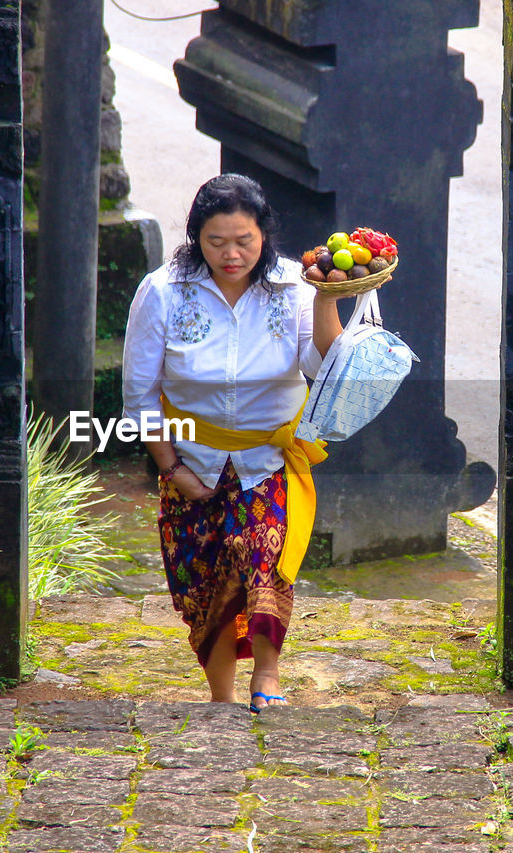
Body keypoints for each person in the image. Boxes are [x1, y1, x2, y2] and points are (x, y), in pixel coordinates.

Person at [122, 174, 349, 712]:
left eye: (244, 240)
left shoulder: (295, 285)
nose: (231, 254)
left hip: (266, 458)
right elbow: (139, 396)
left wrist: (326, 298)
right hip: (190, 458)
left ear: (264, 234)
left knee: (263, 560)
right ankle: (220, 695)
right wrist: (172, 469)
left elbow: (323, 364)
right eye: (216, 241)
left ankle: (266, 675)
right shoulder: (162, 292)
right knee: (205, 586)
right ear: (195, 237)